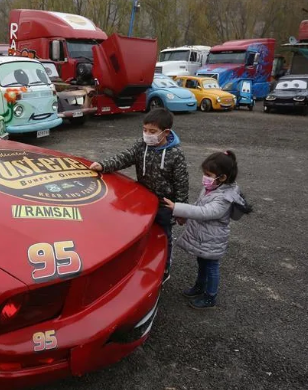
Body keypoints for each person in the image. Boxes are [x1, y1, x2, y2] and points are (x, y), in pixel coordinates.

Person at [90, 108, 188, 283]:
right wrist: (103, 165)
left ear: (165, 132)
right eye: (144, 130)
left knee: (163, 236)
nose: (147, 135)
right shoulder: (141, 146)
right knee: (141, 232)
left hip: (165, 205)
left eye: (152, 132)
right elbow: (124, 158)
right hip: (143, 200)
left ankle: (164, 267)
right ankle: (140, 263)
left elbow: (182, 183)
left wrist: (181, 209)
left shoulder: (176, 154)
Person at [163, 150, 251, 309]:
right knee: (202, 262)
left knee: (211, 267)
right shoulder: (213, 188)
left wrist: (177, 208)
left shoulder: (224, 197)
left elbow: (206, 212)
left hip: (213, 239)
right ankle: (199, 287)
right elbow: (199, 205)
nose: (205, 178)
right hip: (205, 238)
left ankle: (210, 296)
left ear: (222, 177)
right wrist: (184, 216)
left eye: (208, 174)